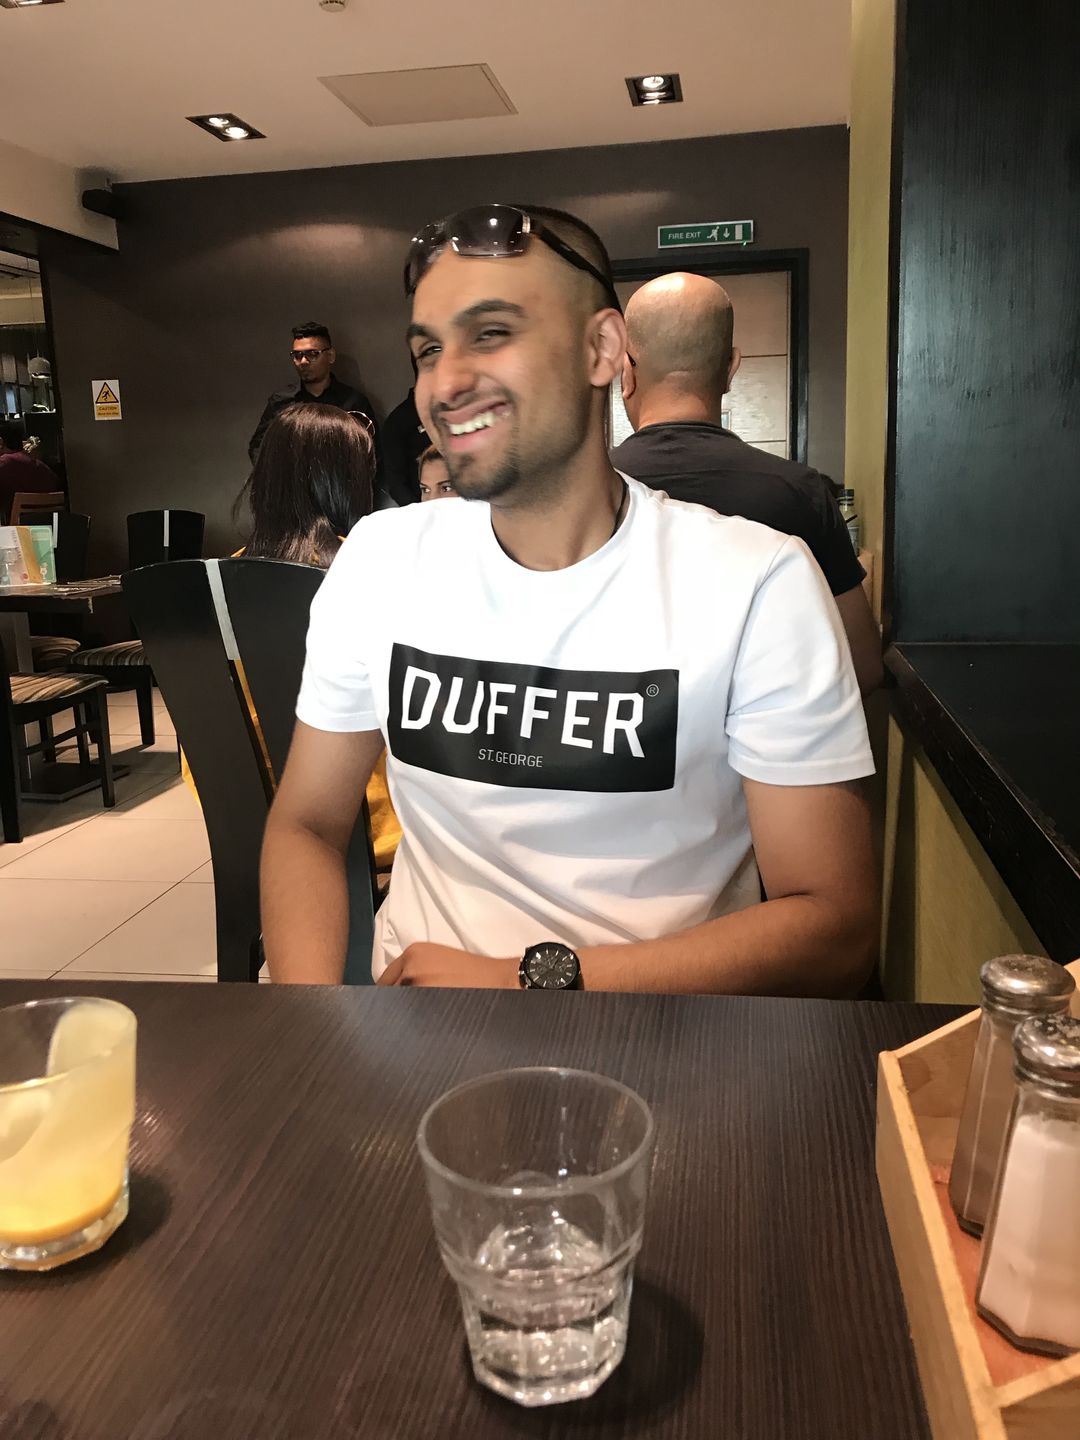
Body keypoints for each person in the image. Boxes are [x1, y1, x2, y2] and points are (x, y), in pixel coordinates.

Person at [262, 203, 878, 995]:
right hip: (417, 1036)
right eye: (427, 350)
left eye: (492, 333)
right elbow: (307, 824)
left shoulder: (758, 581)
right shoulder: (381, 561)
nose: (444, 383)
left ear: (603, 349)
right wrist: (312, 1027)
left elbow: (833, 924)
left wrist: (527, 982)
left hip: (669, 1041)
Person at [611, 273, 883, 694]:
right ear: (731, 368)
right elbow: (862, 667)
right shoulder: (802, 494)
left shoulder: (584, 495)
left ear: (626, 372)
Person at [186, 404, 401, 869]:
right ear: (347, 480)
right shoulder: (373, 568)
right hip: (370, 829)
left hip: (251, 818)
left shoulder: (219, 581)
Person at [248, 323, 376, 465]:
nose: (303, 361)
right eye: (297, 355)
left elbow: (372, 454)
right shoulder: (281, 401)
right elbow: (259, 447)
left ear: (330, 355)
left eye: (312, 354)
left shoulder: (353, 402)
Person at [377, 362, 432, 505]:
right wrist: (419, 512)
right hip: (420, 506)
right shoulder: (399, 421)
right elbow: (396, 484)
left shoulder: (458, 412)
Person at [0, 418, 60, 523]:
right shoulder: (41, 466)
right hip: (50, 528)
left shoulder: (3, 463)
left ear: (0, 442)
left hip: (15, 530)